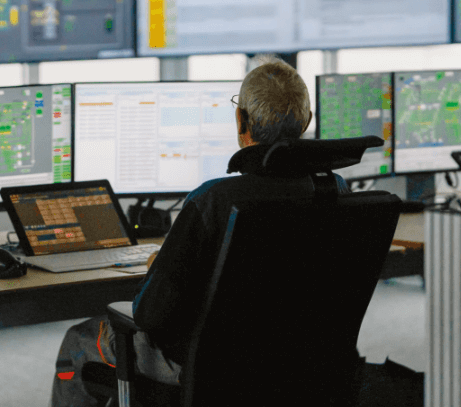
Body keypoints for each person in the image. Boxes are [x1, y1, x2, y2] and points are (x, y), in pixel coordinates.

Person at [49, 56, 348, 407]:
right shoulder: (335, 191)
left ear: (241, 121)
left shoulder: (213, 200)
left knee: (78, 339)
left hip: (207, 364)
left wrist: (159, 268)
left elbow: (151, 314)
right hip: (299, 358)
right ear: (307, 122)